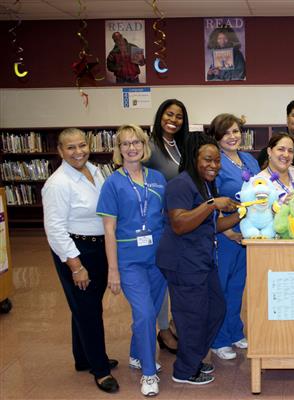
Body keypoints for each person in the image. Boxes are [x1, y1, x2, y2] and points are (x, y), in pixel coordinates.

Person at [156, 133, 240, 385]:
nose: (215, 165)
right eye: (208, 159)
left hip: (202, 261)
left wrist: (244, 213)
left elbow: (210, 225)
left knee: (216, 309)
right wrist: (212, 204)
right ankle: (184, 371)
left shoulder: (203, 185)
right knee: (191, 317)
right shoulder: (180, 184)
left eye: (217, 160)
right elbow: (180, 223)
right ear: (194, 159)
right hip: (182, 263)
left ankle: (191, 359)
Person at [42, 128, 119, 394]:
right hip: (76, 250)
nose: (78, 152)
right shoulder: (57, 183)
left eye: (82, 145)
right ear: (60, 151)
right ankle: (100, 370)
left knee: (85, 305)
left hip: (98, 246)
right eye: (71, 148)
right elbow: (54, 229)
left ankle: (83, 358)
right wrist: (76, 266)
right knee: (88, 310)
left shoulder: (95, 170)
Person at [97, 125, 167, 396]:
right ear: (119, 149)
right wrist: (113, 270)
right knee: (146, 314)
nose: (131, 148)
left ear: (144, 145)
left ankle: (136, 354)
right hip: (129, 261)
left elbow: (165, 217)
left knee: (150, 311)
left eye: (136, 142)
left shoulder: (158, 178)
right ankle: (148, 373)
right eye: (125, 144)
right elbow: (109, 229)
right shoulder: (112, 183)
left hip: (158, 259)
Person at [206, 114, 260, 360]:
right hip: (226, 234)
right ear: (217, 137)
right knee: (222, 287)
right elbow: (210, 197)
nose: (232, 137)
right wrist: (226, 231)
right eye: (226, 133)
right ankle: (218, 340)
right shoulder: (215, 161)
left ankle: (235, 331)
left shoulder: (248, 158)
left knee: (238, 286)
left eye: (236, 131)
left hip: (247, 233)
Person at [145, 98, 190, 354]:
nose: (173, 120)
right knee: (161, 278)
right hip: (160, 222)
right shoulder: (149, 147)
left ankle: (173, 323)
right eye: (168, 114)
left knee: (179, 276)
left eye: (179, 116)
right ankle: (162, 330)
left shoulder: (184, 145)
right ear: (160, 116)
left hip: (184, 221)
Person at [257, 132, 294, 204]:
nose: (286, 155)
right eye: (281, 149)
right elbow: (258, 212)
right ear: (269, 151)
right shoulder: (260, 181)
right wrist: (281, 205)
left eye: (290, 151)